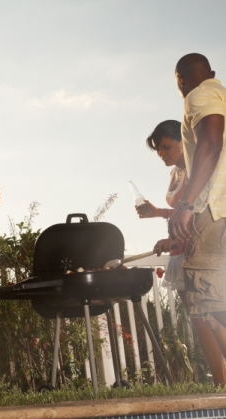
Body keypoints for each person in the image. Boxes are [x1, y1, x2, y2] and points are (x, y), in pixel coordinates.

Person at [138, 120, 226, 385]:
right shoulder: (175, 174)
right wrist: (158, 214)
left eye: (167, 147)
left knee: (213, 316)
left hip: (198, 247)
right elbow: (180, 213)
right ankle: (221, 383)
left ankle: (223, 383)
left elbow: (199, 213)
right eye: (158, 150)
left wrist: (171, 239)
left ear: (182, 142)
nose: (163, 154)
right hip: (180, 248)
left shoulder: (196, 170)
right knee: (200, 321)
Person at [168, 53, 226, 355]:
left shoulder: (198, 95)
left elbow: (211, 142)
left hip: (216, 210)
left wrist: (186, 204)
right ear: (212, 72)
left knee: (212, 300)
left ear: (180, 80)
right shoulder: (221, 93)